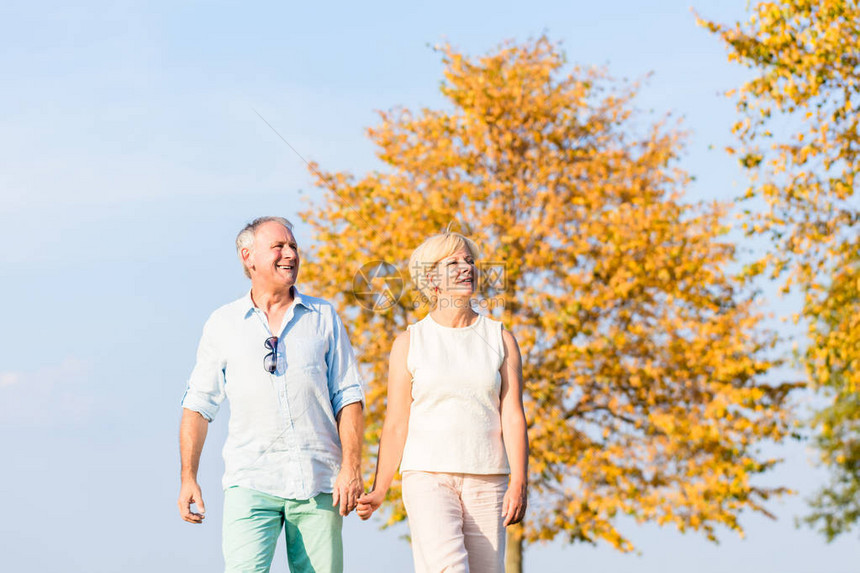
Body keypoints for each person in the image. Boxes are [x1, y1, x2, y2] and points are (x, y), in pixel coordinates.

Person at [177, 216, 365, 573]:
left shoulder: (323, 316)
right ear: (248, 257)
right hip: (250, 483)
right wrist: (189, 477)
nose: (290, 254)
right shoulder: (223, 323)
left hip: (318, 483)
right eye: (278, 246)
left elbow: (349, 397)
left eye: (293, 246)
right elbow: (198, 407)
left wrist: (351, 468)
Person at [356, 232, 529, 573]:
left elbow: (513, 417)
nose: (466, 268)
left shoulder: (501, 339)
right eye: (454, 263)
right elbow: (396, 423)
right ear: (431, 278)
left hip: (488, 477)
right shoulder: (409, 342)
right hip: (427, 476)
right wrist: (380, 488)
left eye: (470, 262)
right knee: (447, 568)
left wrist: (520, 481)